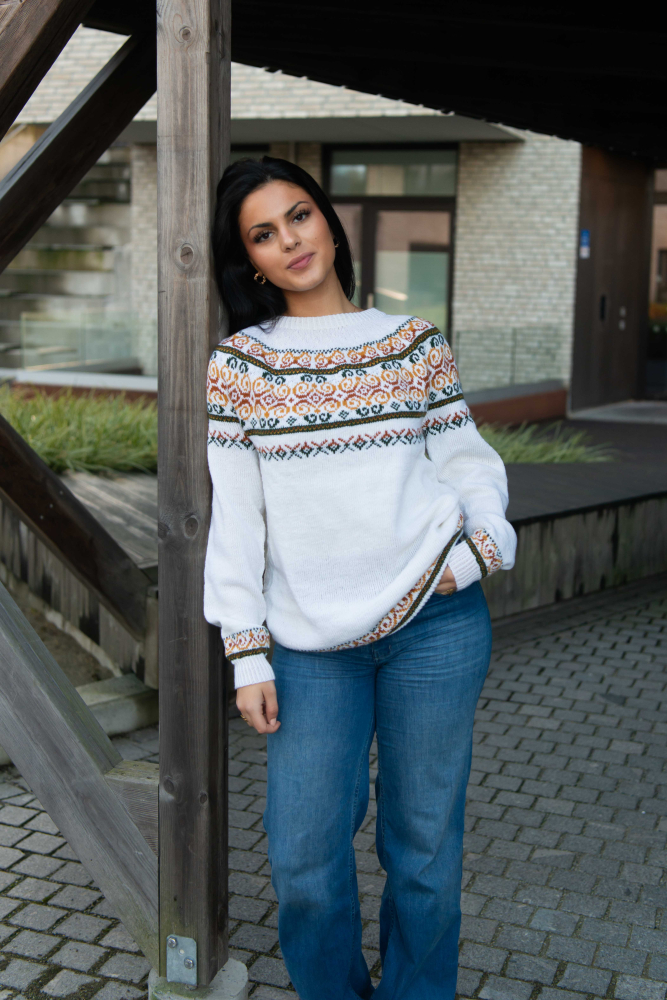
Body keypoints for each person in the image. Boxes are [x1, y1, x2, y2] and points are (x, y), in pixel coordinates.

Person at [204, 156, 517, 1000]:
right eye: (262, 234)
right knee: (303, 857)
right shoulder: (241, 366)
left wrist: (477, 553)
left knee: (423, 852)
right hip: (309, 647)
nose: (289, 240)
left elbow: (467, 465)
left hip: (436, 628)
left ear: (328, 223)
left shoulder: (413, 343)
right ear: (249, 261)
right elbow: (237, 521)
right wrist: (246, 653)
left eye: (298, 215)